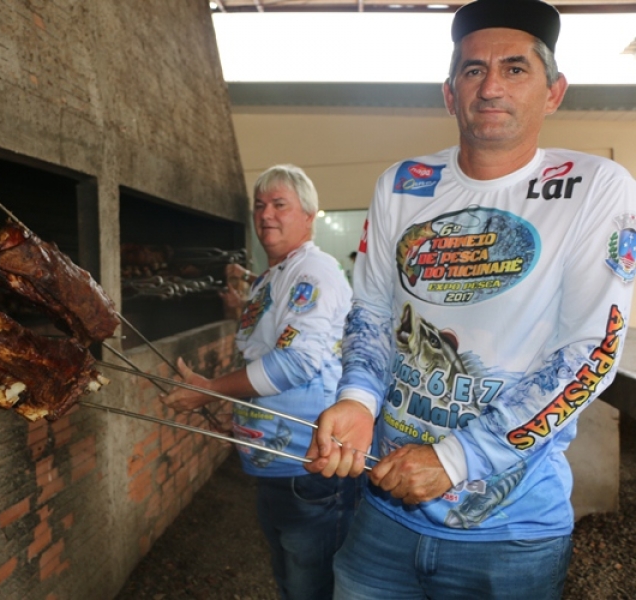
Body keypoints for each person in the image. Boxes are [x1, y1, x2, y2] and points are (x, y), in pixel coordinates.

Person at [305, 1, 636, 598]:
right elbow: (374, 315)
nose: (491, 87)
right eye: (472, 70)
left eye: (515, 69)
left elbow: (591, 353)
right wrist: (355, 398)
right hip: (383, 513)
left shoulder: (594, 187)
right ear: (449, 93)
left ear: (554, 92)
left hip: (510, 535)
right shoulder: (403, 185)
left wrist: (457, 458)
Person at [163, 164, 359, 600]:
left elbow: (294, 364)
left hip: (310, 466)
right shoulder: (273, 276)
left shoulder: (313, 273)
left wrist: (209, 390)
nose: (266, 214)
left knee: (313, 587)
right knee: (291, 582)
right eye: (259, 205)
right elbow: (264, 354)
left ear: (309, 215)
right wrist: (235, 415)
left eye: (279, 204)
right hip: (277, 465)